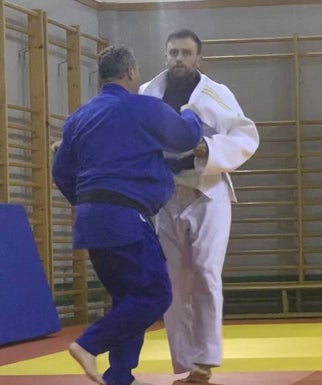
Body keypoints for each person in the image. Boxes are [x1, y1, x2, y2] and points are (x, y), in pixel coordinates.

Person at [52, 45, 203, 385]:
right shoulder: (143, 107)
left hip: (92, 218)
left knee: (128, 297)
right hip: (125, 216)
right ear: (132, 73)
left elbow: (61, 172)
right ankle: (89, 345)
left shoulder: (79, 118)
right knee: (155, 295)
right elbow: (184, 137)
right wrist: (192, 112)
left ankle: (119, 375)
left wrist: (92, 203)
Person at [140, 29, 259, 385]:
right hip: (166, 195)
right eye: (173, 52)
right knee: (174, 283)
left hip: (208, 192)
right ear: (165, 56)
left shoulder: (215, 93)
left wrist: (206, 149)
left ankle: (206, 360)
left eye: (186, 53)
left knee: (206, 272)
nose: (179, 58)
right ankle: (188, 364)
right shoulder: (148, 93)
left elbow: (245, 135)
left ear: (198, 58)